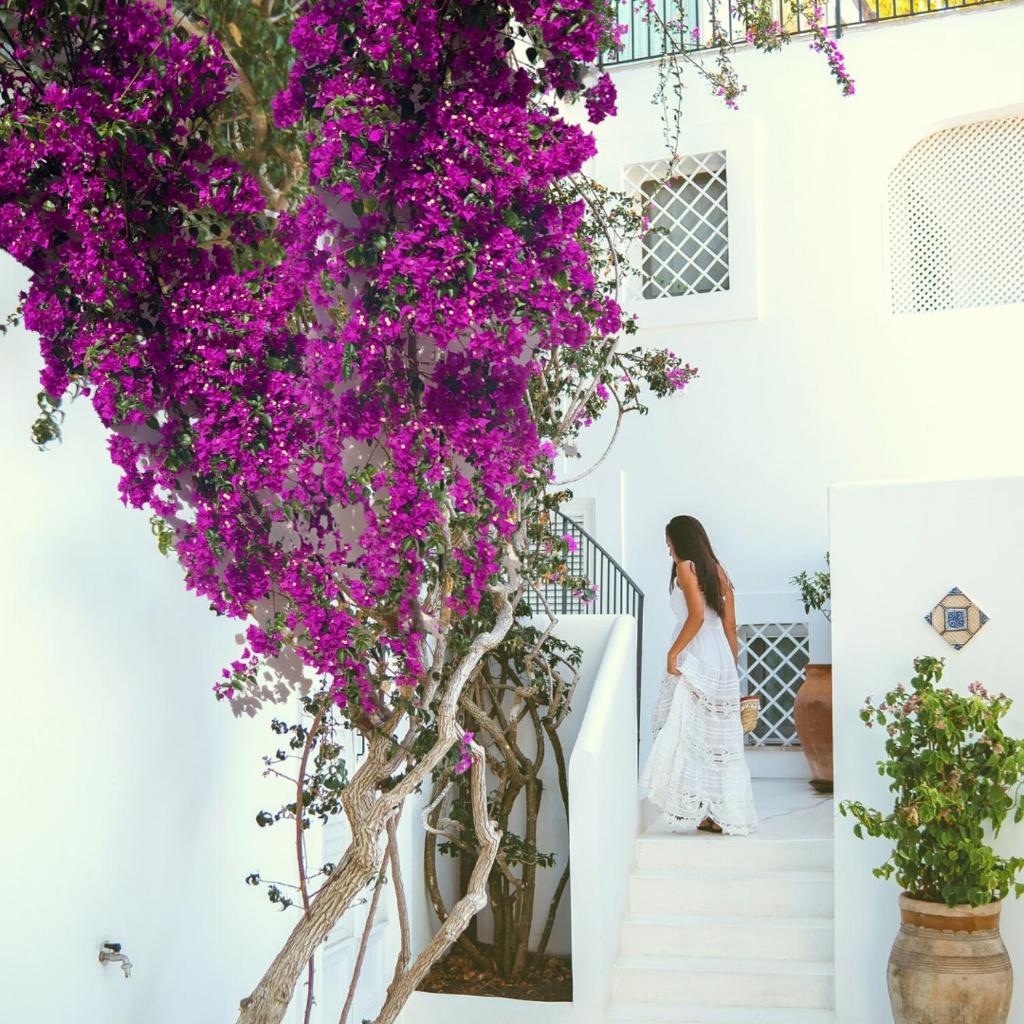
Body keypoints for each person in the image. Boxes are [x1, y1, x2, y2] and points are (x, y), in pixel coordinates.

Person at [639, 515, 758, 835]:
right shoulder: (719, 572)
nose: (668, 551)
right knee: (715, 740)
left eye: (668, 544)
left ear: (681, 540)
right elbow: (729, 626)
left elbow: (695, 618)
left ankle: (697, 806)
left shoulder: (686, 568)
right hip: (719, 656)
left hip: (696, 655)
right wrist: (730, 669)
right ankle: (715, 813)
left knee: (683, 729)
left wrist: (672, 652)